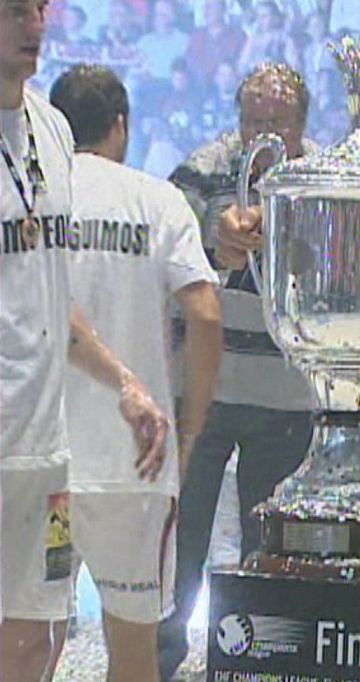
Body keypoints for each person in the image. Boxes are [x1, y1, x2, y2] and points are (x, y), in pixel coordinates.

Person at [0, 2, 167, 680]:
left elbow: (47, 292)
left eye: (39, 8)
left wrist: (123, 381)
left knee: (36, 644)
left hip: (45, 450)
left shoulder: (52, 128)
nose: (34, 25)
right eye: (14, 12)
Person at [48, 64, 223, 682]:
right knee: (133, 656)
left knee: (23, 645)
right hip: (135, 465)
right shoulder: (156, 199)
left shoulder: (34, 198)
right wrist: (191, 427)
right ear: (121, 125)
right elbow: (204, 312)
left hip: (45, 463)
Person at [156, 62, 317, 681]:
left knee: (269, 544)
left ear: (302, 124)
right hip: (202, 385)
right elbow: (164, 243)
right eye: (252, 121)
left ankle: (255, 660)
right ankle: (163, 655)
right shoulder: (200, 169)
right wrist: (210, 237)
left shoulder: (319, 175)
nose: (262, 135)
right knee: (181, 534)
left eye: (276, 122)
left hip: (286, 391)